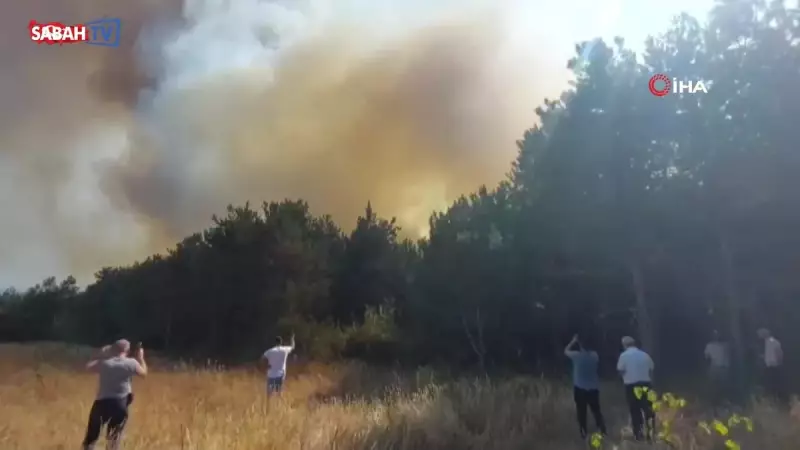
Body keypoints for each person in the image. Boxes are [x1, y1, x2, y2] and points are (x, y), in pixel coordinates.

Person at [82, 339, 147, 450]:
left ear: (112, 349)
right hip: (120, 403)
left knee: (91, 437)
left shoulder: (104, 363)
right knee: (113, 439)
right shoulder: (131, 363)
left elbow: (87, 367)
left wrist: (101, 355)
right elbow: (144, 374)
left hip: (102, 403)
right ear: (127, 351)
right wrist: (141, 358)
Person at [564, 334, 607, 439]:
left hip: (580, 388)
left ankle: (583, 432)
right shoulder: (595, 356)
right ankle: (602, 429)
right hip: (593, 388)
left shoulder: (576, 356)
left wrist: (573, 341)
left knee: (581, 411)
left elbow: (566, 351)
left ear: (581, 345)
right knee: (596, 410)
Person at [617, 336, 655, 442]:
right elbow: (651, 368)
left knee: (635, 410)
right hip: (646, 384)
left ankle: (638, 434)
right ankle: (651, 433)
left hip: (631, 385)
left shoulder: (623, 356)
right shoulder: (645, 355)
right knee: (648, 409)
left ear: (624, 345)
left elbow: (620, 370)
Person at [757, 328, 786, 404]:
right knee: (772, 384)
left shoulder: (771, 342)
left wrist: (779, 362)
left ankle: (778, 399)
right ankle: (775, 399)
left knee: (774, 384)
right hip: (770, 366)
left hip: (774, 366)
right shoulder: (768, 342)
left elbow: (778, 353)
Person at [704, 330, 730, 406]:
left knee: (723, 386)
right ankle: (713, 401)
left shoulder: (725, 345)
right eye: (714, 334)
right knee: (713, 385)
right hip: (714, 367)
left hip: (723, 368)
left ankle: (723, 401)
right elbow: (706, 357)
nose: (716, 336)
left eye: (717, 334)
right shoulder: (709, 345)